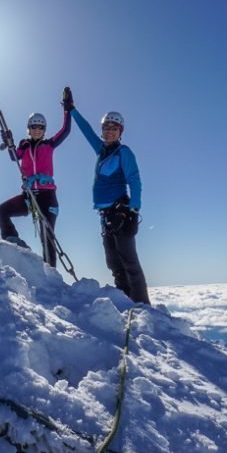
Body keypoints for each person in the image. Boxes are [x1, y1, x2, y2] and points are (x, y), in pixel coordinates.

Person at [70, 103, 151, 305]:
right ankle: (126, 303)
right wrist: (72, 110)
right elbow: (86, 130)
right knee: (114, 263)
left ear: (120, 132)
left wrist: (134, 208)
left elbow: (134, 179)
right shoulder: (101, 150)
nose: (109, 132)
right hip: (105, 215)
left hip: (121, 211)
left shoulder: (124, 152)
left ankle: (143, 306)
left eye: (114, 128)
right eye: (106, 128)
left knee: (129, 262)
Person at [0, 88, 73, 267]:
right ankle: (14, 242)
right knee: (2, 211)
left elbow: (66, 131)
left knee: (48, 237)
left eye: (40, 127)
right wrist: (9, 143)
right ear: (28, 129)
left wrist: (67, 110)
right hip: (29, 196)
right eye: (34, 126)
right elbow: (14, 157)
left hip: (47, 197)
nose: (37, 130)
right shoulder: (24, 145)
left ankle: (51, 276)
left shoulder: (49, 144)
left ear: (44, 130)